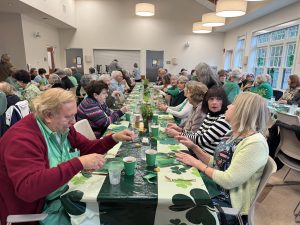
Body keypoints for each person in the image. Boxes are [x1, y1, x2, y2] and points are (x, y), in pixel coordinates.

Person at [0, 88, 135, 225]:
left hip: (62, 198)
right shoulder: (22, 140)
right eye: (68, 117)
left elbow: (86, 148)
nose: (73, 121)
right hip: (38, 212)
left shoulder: (61, 127)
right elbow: (29, 188)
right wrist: (78, 163)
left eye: (74, 115)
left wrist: (113, 138)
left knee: (118, 211)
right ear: (48, 115)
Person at [175, 92, 269, 224]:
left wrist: (197, 163)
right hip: (218, 190)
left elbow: (228, 180)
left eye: (234, 105)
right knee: (178, 184)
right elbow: (218, 164)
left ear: (242, 111)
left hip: (231, 207)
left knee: (181, 205)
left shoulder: (255, 143)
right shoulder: (234, 134)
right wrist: (195, 147)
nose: (229, 106)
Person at [181, 87, 231, 154]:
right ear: (206, 101)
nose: (214, 102)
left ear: (224, 102)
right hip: (198, 153)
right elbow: (198, 134)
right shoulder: (210, 115)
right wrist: (181, 131)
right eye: (211, 99)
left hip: (207, 158)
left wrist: (179, 134)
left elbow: (202, 141)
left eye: (219, 99)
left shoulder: (223, 119)